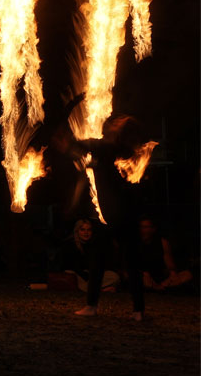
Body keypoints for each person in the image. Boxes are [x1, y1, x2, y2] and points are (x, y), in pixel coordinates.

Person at [55, 110, 147, 321]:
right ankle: (135, 310)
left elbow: (71, 144)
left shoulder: (106, 147)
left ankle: (99, 306)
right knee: (109, 260)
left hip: (115, 214)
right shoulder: (122, 150)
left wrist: (66, 122)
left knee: (116, 261)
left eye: (120, 121)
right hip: (117, 214)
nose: (115, 121)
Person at [62, 218, 120, 293]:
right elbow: (70, 265)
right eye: (82, 230)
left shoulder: (93, 244)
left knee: (113, 276)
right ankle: (99, 290)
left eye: (88, 230)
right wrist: (87, 274)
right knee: (72, 277)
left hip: (90, 275)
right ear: (77, 231)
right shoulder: (70, 244)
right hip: (77, 274)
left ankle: (94, 289)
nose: (86, 232)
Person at [137, 217, 192, 291]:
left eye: (146, 227)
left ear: (153, 229)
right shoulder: (134, 243)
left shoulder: (163, 243)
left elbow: (170, 264)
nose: (142, 229)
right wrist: (143, 273)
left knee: (187, 275)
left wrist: (172, 273)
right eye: (141, 227)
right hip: (144, 276)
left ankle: (161, 286)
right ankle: (156, 288)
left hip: (160, 276)